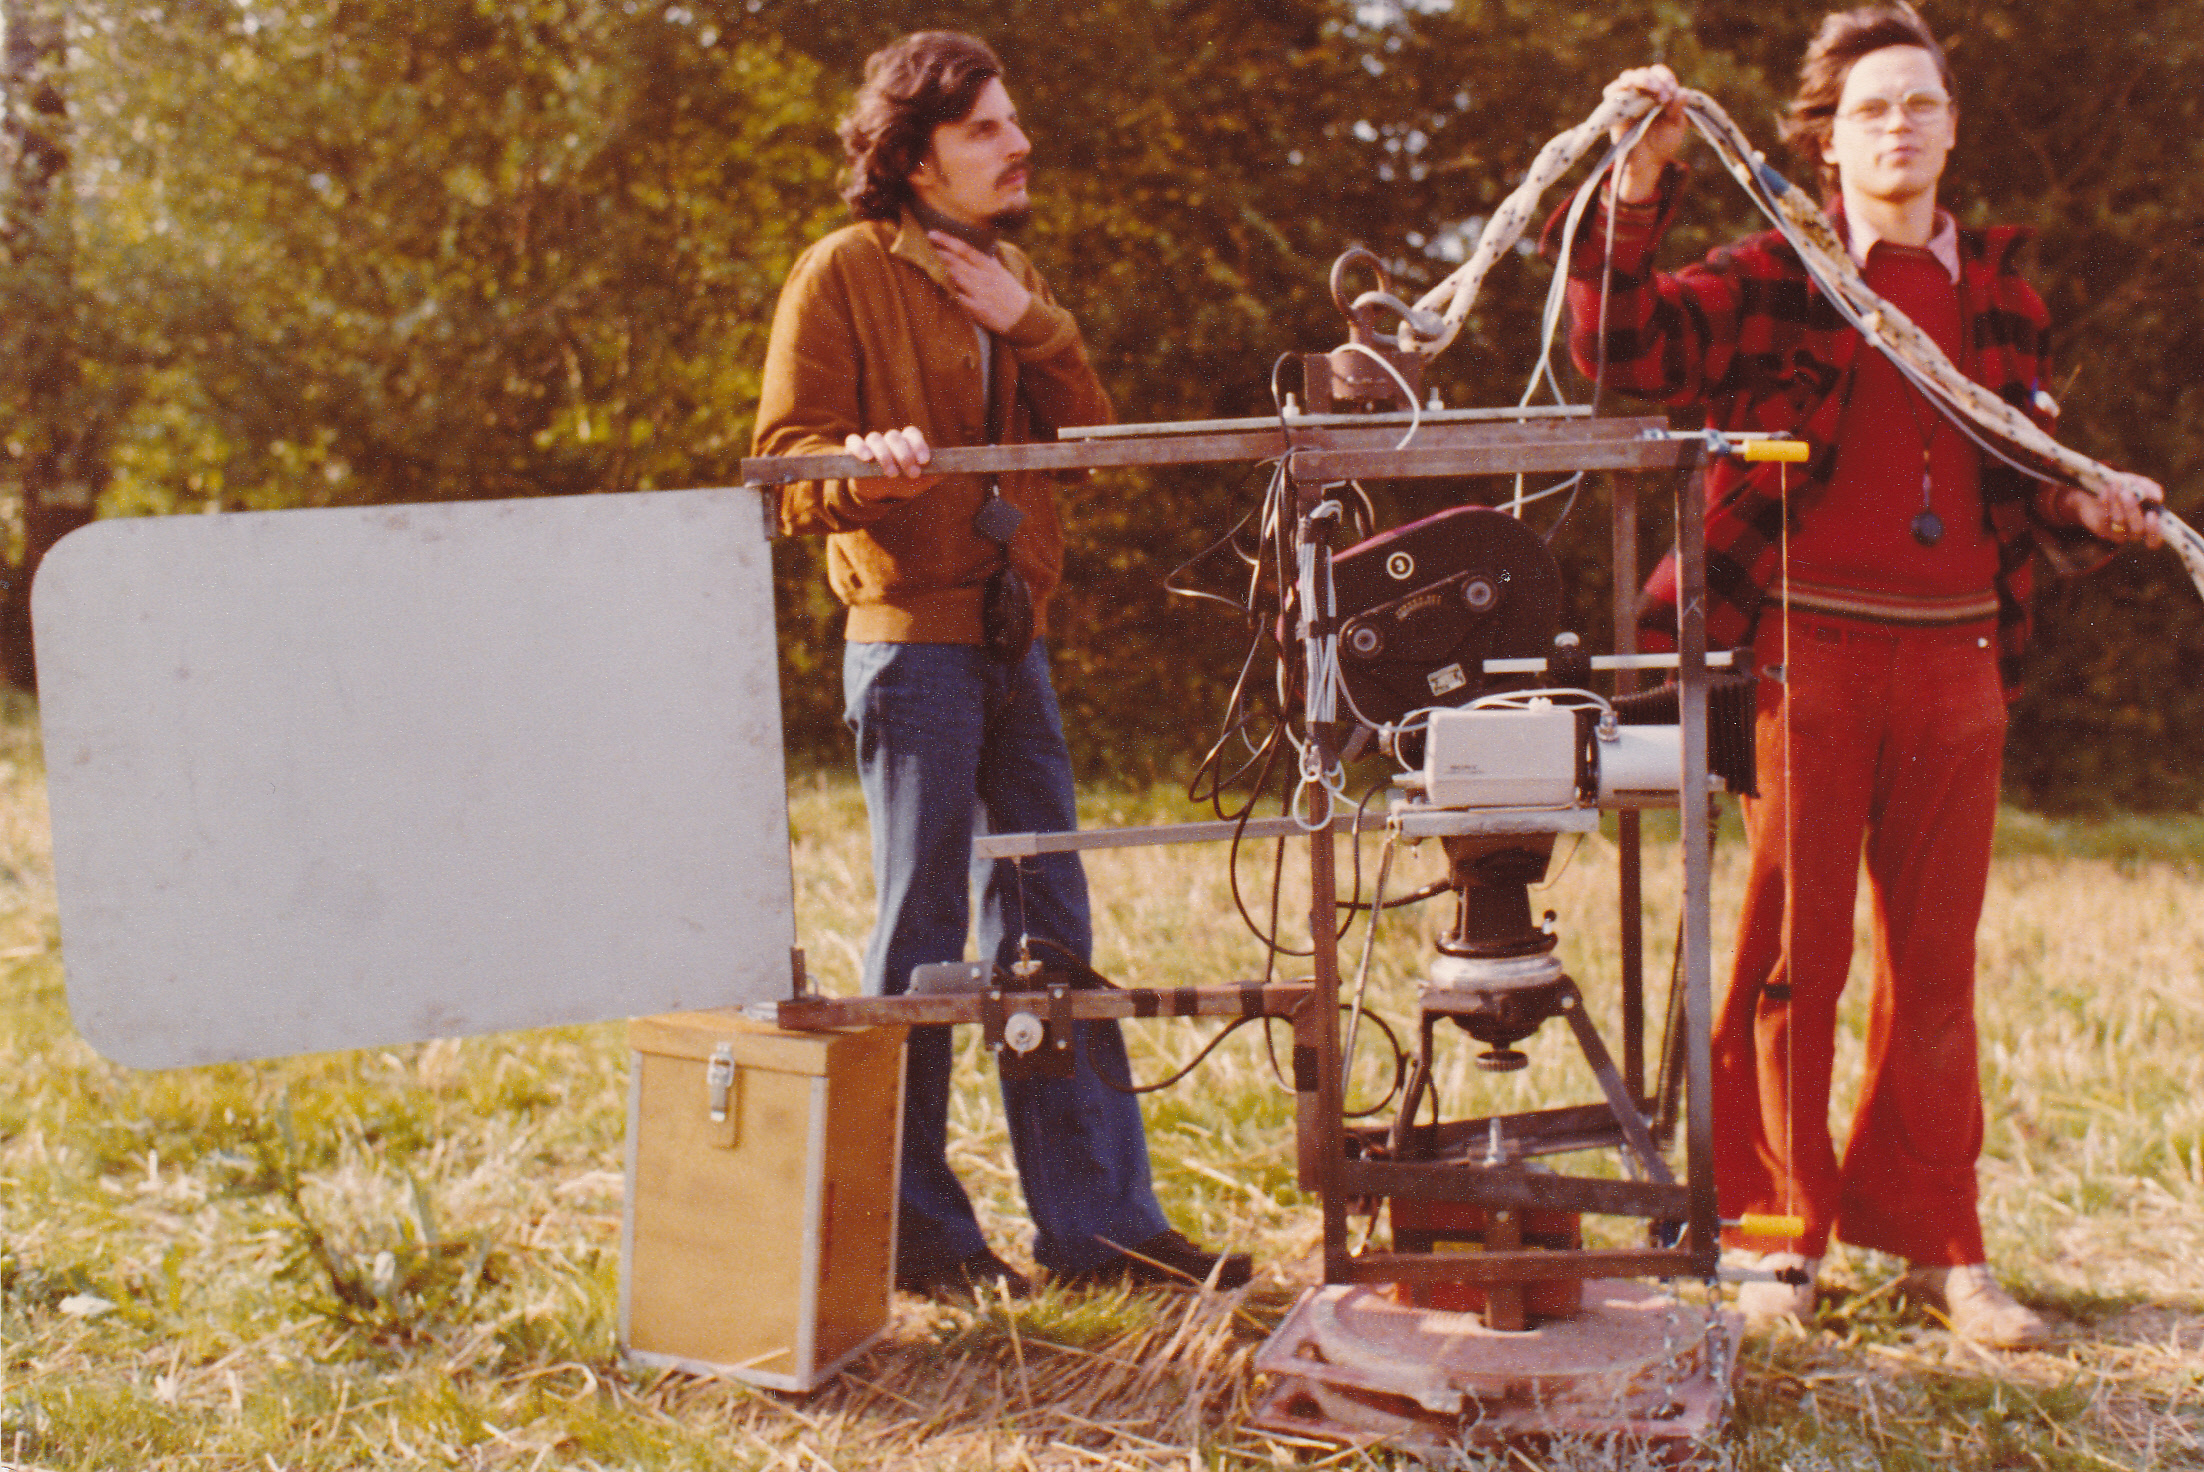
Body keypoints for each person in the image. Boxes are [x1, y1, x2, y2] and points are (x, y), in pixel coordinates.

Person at [1562, 5, 2163, 1346]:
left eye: (1923, 104)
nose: (1901, 126)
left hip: (1961, 665)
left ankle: (1941, 1246)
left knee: (1936, 969)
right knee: (1792, 957)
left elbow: (2024, 470)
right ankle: (1778, 1242)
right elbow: (1620, 355)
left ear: (1953, 128)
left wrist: (2091, 502)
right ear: (1824, 137)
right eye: (1874, 107)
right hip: (1805, 656)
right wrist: (1641, 181)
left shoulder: (2003, 290)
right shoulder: (1776, 272)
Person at [753, 31, 1250, 1300]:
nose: (1016, 143)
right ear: (914, 159)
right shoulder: (840, 272)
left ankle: (1099, 1228)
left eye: (1011, 122)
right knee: (921, 946)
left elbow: (1080, 451)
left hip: (1011, 646)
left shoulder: (1010, 272)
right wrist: (864, 460)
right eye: (983, 128)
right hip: (907, 651)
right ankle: (917, 1236)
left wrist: (1039, 325)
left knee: (1047, 932)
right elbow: (786, 469)